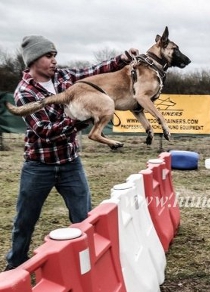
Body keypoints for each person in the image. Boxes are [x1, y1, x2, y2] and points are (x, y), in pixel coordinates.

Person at [4, 35, 138, 271]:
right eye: (49, 56)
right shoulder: (24, 92)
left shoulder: (66, 77)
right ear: (34, 60)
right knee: (25, 220)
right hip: (39, 165)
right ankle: (15, 265)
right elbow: (45, 131)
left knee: (84, 217)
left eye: (55, 55)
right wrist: (79, 119)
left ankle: (88, 263)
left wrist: (123, 58)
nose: (54, 60)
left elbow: (95, 70)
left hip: (70, 162)